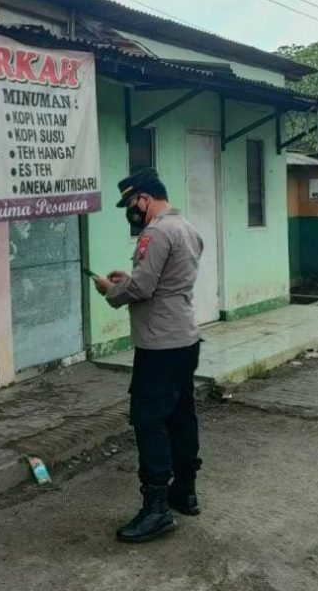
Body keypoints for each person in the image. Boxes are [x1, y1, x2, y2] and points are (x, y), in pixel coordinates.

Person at [93, 167, 204, 543]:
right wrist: (130, 279)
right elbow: (164, 280)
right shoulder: (187, 227)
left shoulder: (154, 232)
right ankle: (184, 492)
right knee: (181, 415)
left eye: (130, 202)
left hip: (158, 344)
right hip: (185, 339)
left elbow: (142, 288)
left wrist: (110, 290)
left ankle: (156, 510)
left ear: (144, 197)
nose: (130, 209)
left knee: (149, 420)